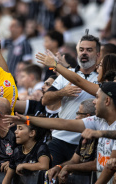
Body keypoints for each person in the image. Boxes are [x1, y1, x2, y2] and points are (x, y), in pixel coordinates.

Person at [3, 82, 116, 184]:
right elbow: (62, 123)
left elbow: (109, 168)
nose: (93, 101)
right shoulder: (98, 121)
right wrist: (27, 120)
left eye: (97, 97)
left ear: (107, 101)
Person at [35, 34, 100, 166]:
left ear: (98, 55)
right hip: (59, 139)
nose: (84, 53)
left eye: (89, 50)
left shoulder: (101, 79)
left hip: (85, 141)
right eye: (81, 50)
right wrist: (62, 92)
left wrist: (56, 65)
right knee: (49, 177)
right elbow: (45, 100)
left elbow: (78, 81)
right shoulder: (66, 74)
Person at [47, 99, 98, 183]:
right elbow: (74, 160)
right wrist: (59, 167)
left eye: (78, 113)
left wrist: (69, 168)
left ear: (87, 117)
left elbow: (95, 164)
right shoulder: (84, 135)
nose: (76, 117)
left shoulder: (99, 136)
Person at [36, 47, 116, 97]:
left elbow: (78, 80)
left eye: (100, 65)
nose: (97, 68)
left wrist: (55, 65)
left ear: (108, 67)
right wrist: (66, 67)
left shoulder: (110, 87)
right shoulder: (106, 85)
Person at [2, 119, 51, 184]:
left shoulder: (40, 147)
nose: (15, 131)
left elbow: (44, 166)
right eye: (16, 128)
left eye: (20, 128)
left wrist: (24, 165)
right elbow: (8, 177)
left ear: (32, 133)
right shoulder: (17, 151)